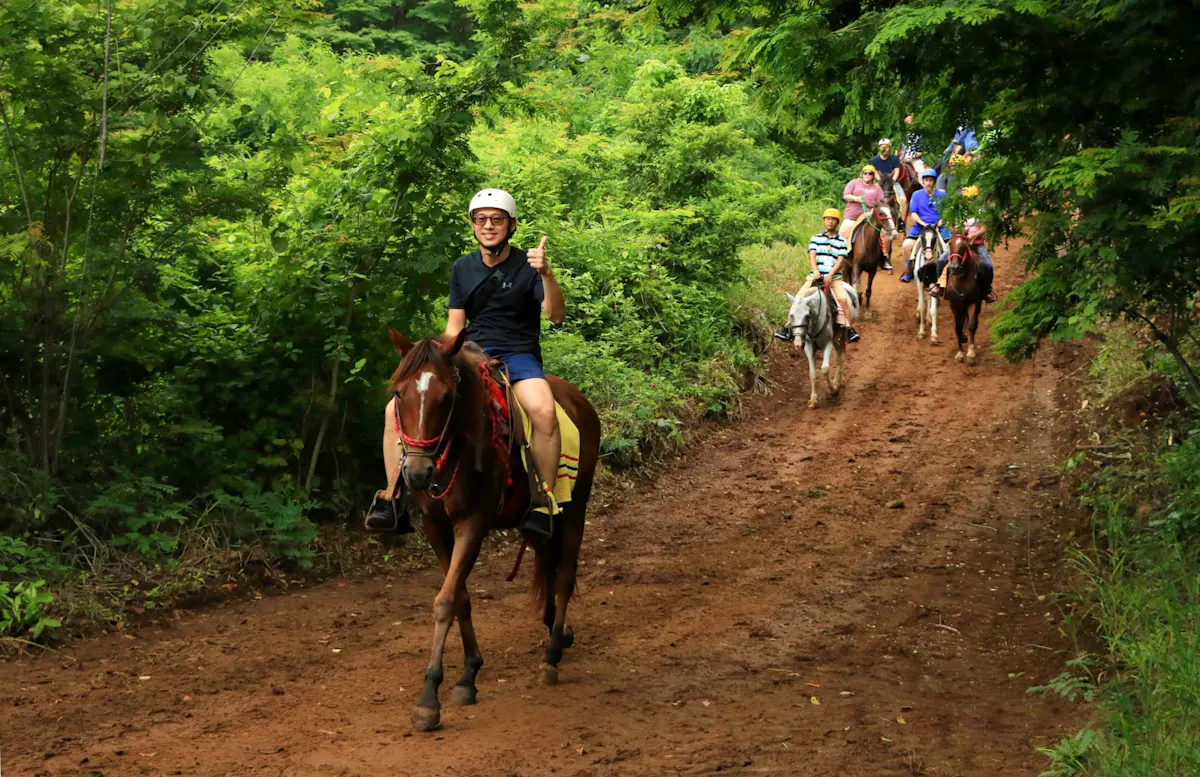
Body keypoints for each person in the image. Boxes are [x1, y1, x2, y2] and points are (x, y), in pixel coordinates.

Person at [365, 188, 566, 542]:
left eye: (497, 219)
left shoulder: (529, 266)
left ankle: (543, 505)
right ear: (473, 225)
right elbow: (455, 325)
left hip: (518, 355)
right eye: (481, 219)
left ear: (512, 225)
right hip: (471, 351)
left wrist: (547, 274)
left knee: (544, 413)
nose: (489, 226)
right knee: (392, 411)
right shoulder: (463, 267)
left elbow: (555, 315)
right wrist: (439, 354)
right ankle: (391, 498)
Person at [775, 208, 861, 343]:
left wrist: (831, 274)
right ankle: (787, 329)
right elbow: (812, 255)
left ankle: (848, 329)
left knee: (843, 299)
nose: (830, 222)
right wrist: (815, 271)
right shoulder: (816, 238)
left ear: (837, 222)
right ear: (824, 221)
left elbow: (840, 260)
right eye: (828, 219)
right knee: (798, 298)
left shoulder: (841, 241)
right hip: (815, 276)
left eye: (833, 220)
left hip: (834, 278)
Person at [899, 168, 951, 282]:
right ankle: (910, 270)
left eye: (931, 180)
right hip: (920, 226)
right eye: (926, 180)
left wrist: (940, 223)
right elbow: (913, 213)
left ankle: (948, 272)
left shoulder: (942, 195)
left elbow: (946, 213)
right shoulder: (916, 195)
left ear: (934, 181)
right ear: (923, 181)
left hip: (939, 226)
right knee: (906, 245)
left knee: (949, 247)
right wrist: (924, 224)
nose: (928, 183)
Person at [927, 220, 996, 303]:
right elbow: (952, 227)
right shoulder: (958, 208)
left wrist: (974, 234)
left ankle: (987, 290)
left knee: (988, 265)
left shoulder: (980, 209)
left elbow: (984, 228)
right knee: (941, 260)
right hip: (959, 244)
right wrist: (956, 230)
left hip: (976, 244)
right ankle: (939, 285)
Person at [840, 165, 884, 243]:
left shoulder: (877, 187)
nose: (867, 175)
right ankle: (841, 253)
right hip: (852, 216)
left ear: (873, 175)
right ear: (862, 174)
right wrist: (856, 198)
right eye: (865, 173)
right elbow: (846, 195)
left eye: (870, 173)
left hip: (869, 217)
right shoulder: (854, 182)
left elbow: (881, 202)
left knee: (884, 235)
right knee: (843, 233)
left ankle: (884, 253)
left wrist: (874, 207)